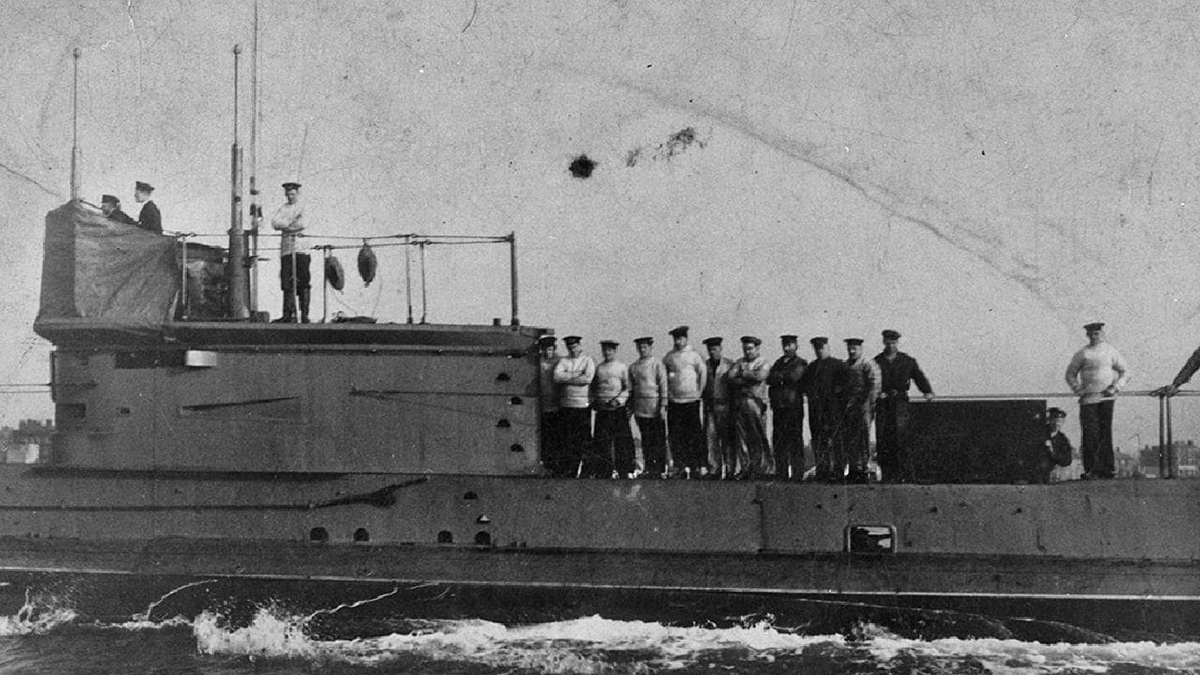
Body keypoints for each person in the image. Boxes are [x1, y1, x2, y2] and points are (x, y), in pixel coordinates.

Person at [1064, 322, 1129, 480]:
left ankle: (1108, 469)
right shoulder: (1083, 353)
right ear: (1087, 335)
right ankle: (1091, 469)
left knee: (1105, 433)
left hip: (1106, 398)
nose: (1095, 336)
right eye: (1092, 333)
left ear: (1102, 333)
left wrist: (1115, 387)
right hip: (1089, 400)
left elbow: (1125, 372)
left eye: (1097, 333)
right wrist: (1078, 389)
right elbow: (1070, 374)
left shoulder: (1110, 351)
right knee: (1090, 434)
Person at [873, 329, 935, 483]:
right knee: (883, 439)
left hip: (900, 402)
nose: (891, 346)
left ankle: (902, 474)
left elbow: (918, 377)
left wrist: (927, 391)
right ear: (884, 342)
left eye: (893, 343)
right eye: (888, 343)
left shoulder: (907, 361)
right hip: (883, 403)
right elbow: (871, 381)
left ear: (897, 343)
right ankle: (887, 474)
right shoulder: (877, 361)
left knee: (901, 439)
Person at [662, 326, 708, 478]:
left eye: (680, 338)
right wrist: (668, 395)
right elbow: (664, 377)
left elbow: (703, 373)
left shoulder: (694, 356)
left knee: (694, 434)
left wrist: (699, 393)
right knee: (676, 435)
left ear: (686, 339)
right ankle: (680, 467)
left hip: (691, 401)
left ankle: (695, 467)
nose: (678, 341)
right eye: (675, 339)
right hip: (675, 401)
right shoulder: (669, 357)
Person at [726, 335, 771, 479]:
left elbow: (760, 376)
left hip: (756, 404)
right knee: (742, 437)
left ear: (757, 348)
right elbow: (731, 377)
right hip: (740, 403)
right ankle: (745, 467)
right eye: (745, 349)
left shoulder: (763, 363)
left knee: (757, 436)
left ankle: (759, 468)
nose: (747, 352)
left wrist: (744, 374)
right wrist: (748, 378)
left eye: (750, 349)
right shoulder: (739, 362)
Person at [839, 337, 881, 483]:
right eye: (850, 348)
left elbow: (874, 385)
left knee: (863, 438)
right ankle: (853, 468)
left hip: (864, 407)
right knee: (849, 439)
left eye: (854, 348)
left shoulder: (868, 364)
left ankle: (864, 468)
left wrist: (869, 403)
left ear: (860, 349)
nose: (852, 351)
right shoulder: (845, 366)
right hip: (848, 407)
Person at [590, 340, 634, 478]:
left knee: (622, 441)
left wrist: (618, 401)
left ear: (615, 351)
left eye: (609, 350)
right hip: (603, 410)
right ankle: (604, 471)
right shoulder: (599, 368)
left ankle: (624, 471)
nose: (607, 353)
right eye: (604, 350)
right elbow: (594, 387)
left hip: (618, 409)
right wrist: (596, 401)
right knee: (602, 441)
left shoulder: (622, 367)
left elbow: (628, 388)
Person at [801, 337, 843, 481]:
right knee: (819, 440)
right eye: (817, 348)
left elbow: (846, 384)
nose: (819, 351)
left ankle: (838, 471)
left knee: (836, 440)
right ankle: (822, 470)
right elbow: (804, 386)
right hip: (816, 410)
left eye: (822, 348)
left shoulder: (838, 365)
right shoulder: (812, 367)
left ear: (827, 347)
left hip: (833, 409)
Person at [553, 335, 595, 477]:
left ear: (579, 345)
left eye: (575, 346)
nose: (573, 349)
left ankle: (587, 471)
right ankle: (570, 470)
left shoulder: (587, 360)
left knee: (584, 441)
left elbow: (587, 379)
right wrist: (578, 375)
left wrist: (568, 377)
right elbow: (556, 377)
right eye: (570, 347)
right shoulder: (563, 360)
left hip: (582, 406)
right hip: (566, 406)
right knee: (568, 440)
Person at [767, 335, 807, 480]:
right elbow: (769, 378)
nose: (786, 348)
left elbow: (793, 377)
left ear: (796, 346)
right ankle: (781, 472)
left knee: (795, 440)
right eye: (784, 345)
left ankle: (797, 473)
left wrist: (779, 377)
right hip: (779, 407)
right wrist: (781, 377)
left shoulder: (800, 363)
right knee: (779, 440)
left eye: (789, 345)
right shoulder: (778, 362)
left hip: (793, 407)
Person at [629, 336, 669, 478]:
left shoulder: (657, 364)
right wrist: (631, 408)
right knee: (646, 440)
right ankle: (648, 468)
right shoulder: (634, 366)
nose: (642, 349)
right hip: (641, 409)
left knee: (657, 439)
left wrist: (663, 406)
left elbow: (663, 386)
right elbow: (631, 389)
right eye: (640, 347)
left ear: (650, 348)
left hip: (655, 409)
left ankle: (659, 469)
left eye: (645, 347)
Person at [271, 182, 310, 323]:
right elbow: (275, 223)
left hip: (302, 249)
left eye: (292, 194)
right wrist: (292, 222)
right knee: (286, 281)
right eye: (288, 194)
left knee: (303, 280)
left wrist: (286, 225)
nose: (290, 196)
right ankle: (287, 315)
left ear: (297, 193)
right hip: (286, 250)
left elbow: (303, 224)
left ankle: (304, 315)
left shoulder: (303, 206)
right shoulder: (283, 208)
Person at [701, 336, 737, 479]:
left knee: (727, 439)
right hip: (710, 406)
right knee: (711, 439)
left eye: (715, 349)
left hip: (726, 406)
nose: (712, 352)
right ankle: (714, 469)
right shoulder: (705, 365)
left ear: (720, 349)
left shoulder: (729, 365)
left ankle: (730, 469)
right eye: (710, 349)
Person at [537, 336, 563, 476]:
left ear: (554, 349)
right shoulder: (538, 361)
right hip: (542, 405)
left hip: (557, 405)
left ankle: (556, 467)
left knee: (556, 437)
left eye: (550, 349)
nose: (548, 352)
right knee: (545, 438)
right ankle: (546, 465)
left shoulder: (559, 361)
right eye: (545, 350)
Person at [1041, 407, 1074, 483]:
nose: (1056, 424)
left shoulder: (1062, 440)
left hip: (1050, 474)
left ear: (1062, 422)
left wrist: (1054, 453)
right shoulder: (1040, 433)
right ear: (1049, 420)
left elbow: (1067, 460)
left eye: (1059, 421)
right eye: (1053, 420)